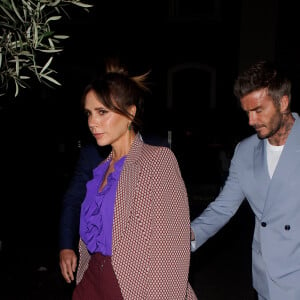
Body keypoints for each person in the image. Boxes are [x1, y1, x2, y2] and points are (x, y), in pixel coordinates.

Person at [67, 60, 197, 299]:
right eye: (89, 113)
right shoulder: (100, 171)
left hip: (132, 286)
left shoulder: (157, 161)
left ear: (130, 113)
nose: (92, 122)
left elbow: (170, 252)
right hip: (92, 279)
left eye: (102, 112)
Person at [190, 60, 300, 300]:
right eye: (247, 112)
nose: (251, 121)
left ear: (283, 102)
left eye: (258, 110)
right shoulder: (245, 151)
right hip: (266, 280)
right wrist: (186, 236)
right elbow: (222, 208)